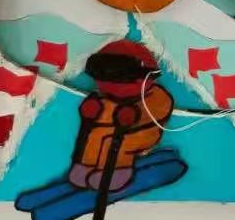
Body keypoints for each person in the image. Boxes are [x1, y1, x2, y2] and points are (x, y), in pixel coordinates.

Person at [68, 39, 173, 191]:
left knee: (119, 141)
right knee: (95, 135)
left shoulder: (154, 94)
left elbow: (161, 108)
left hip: (143, 132)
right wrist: (93, 109)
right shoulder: (108, 96)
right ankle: (85, 166)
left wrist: (136, 114)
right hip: (114, 128)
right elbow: (105, 110)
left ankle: (118, 171)